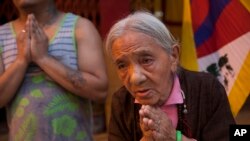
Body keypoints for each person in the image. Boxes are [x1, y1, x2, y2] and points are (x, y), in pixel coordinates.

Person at [105, 11, 235, 141]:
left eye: (146, 60)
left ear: (173, 56)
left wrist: (174, 137)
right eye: (122, 65)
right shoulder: (122, 101)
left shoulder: (206, 89)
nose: (135, 78)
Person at [0, 0, 108, 140]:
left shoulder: (80, 28)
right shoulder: (2, 36)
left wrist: (43, 59)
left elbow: (100, 91)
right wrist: (21, 60)